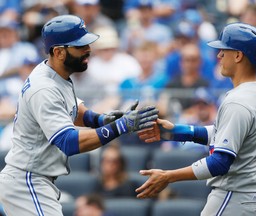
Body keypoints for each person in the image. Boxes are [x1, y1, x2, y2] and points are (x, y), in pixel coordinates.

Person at [0, 14, 158, 216]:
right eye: (79, 46)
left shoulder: (56, 73)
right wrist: (120, 127)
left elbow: (74, 111)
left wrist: (100, 120)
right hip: (27, 180)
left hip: (34, 180)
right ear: (58, 52)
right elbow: (69, 141)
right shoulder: (44, 88)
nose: (88, 50)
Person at [136, 22, 256, 216]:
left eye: (223, 50)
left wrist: (169, 176)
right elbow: (229, 133)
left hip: (237, 197)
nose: (218, 56)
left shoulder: (238, 101)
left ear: (238, 55)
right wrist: (176, 131)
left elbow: (220, 162)